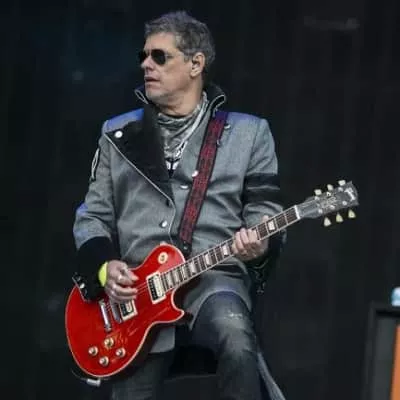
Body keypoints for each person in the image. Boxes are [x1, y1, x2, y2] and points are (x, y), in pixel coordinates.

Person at [73, 10, 286, 400]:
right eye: (143, 56)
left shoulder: (249, 133)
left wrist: (259, 245)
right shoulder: (117, 133)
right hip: (136, 295)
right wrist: (105, 268)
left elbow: (265, 210)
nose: (146, 65)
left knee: (236, 338)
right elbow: (93, 216)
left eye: (160, 56)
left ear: (195, 64)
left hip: (213, 277)